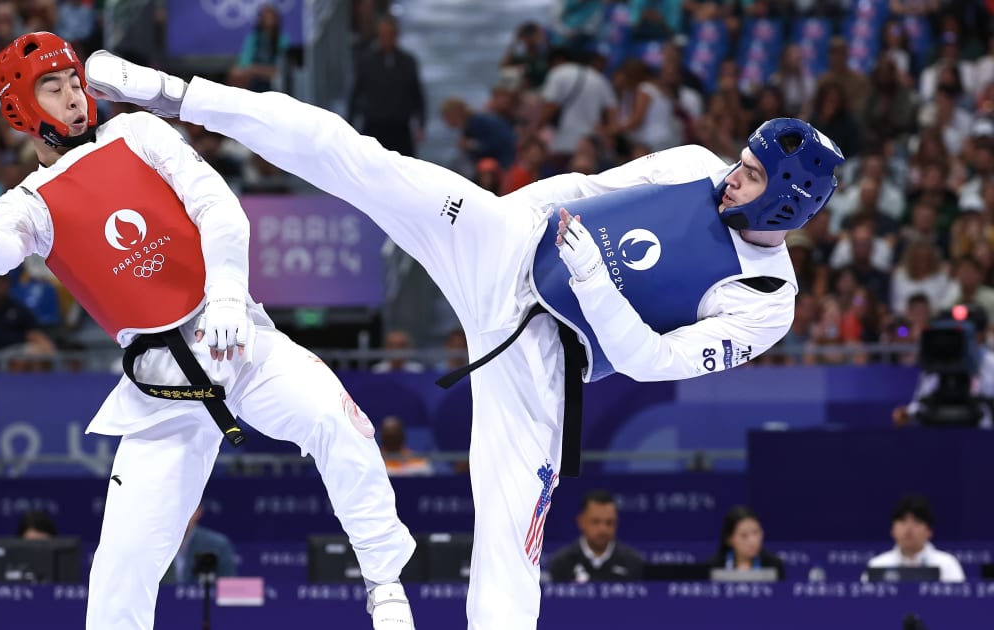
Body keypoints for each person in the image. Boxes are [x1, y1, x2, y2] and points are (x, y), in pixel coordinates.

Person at [84, 52, 844, 630]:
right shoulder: (691, 166)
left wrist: (592, 284)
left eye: (750, 175)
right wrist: (493, 223)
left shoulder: (764, 300)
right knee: (359, 159)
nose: (730, 174)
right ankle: (176, 93)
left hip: (548, 358)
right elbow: (583, 189)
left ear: (786, 198)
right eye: (740, 161)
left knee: (513, 536)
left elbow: (653, 362)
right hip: (509, 245)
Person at [0, 32, 416, 630]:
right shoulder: (29, 201)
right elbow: (7, 245)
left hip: (238, 336)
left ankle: (385, 585)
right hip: (160, 388)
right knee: (120, 570)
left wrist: (223, 295)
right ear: (22, 108)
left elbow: (219, 208)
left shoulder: (138, 133)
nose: (73, 96)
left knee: (339, 421)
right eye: (53, 88)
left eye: (74, 82)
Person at [546, 490, 645, 582]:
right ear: (581, 522)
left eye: (609, 522)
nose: (603, 529)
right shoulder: (561, 563)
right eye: (595, 522)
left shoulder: (634, 563)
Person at [866, 495, 965, 582]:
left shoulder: (947, 565)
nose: (909, 528)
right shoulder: (877, 565)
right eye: (902, 521)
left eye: (917, 521)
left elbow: (959, 603)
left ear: (929, 531)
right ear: (892, 529)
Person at [708, 505, 785, 580]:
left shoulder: (774, 565)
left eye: (756, 532)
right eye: (744, 535)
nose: (753, 541)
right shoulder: (714, 566)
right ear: (729, 539)